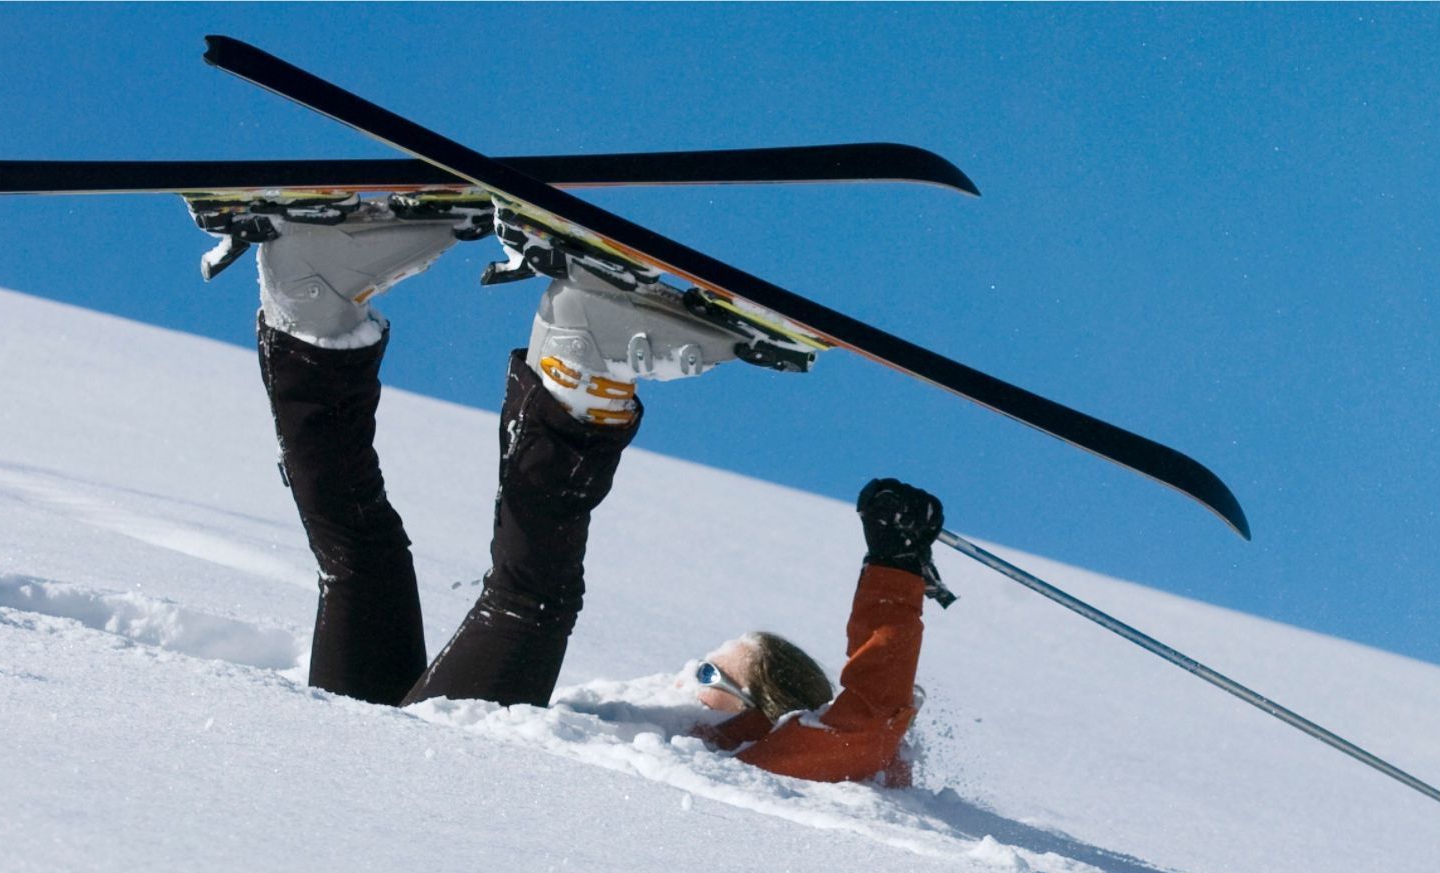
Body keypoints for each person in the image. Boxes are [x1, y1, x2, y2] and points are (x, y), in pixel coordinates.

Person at [201, 196, 748, 708]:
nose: (687, 676)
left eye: (714, 674)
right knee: (367, 561)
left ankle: (581, 357)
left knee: (519, 599)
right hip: (351, 785)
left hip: (381, 793)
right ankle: (310, 287)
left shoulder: (764, 763)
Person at [684, 478, 948, 788]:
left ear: (760, 710)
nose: (685, 676)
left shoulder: (774, 769)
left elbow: (872, 713)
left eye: (706, 673)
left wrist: (894, 565)